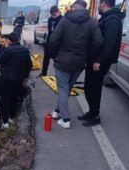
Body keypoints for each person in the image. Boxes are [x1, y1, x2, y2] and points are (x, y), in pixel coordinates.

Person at [48, 0, 103, 129]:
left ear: (73, 7)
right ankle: (57, 111)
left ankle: (65, 119)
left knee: (62, 89)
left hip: (62, 61)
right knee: (66, 88)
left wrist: (54, 55)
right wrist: (88, 55)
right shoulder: (92, 22)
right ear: (85, 8)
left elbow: (54, 39)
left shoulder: (65, 20)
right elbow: (98, 41)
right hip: (79, 63)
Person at [79, 0, 124, 126]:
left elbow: (109, 43)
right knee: (89, 86)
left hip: (100, 61)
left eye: (100, 3)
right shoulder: (107, 18)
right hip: (95, 58)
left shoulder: (112, 20)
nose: (98, 6)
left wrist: (99, 60)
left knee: (94, 87)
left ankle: (95, 115)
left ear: (104, 4)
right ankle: (91, 112)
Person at [0, 33, 32, 129]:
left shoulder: (8, 50)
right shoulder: (25, 50)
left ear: (9, 41)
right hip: (19, 79)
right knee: (14, 98)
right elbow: (29, 65)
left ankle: (6, 122)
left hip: (7, 79)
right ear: (18, 39)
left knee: (6, 100)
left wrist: (2, 49)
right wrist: (25, 77)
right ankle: (12, 117)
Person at [37, 5, 63, 78]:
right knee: (46, 58)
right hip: (50, 42)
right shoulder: (50, 19)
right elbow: (49, 31)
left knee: (57, 60)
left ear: (58, 12)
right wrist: (47, 42)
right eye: (52, 15)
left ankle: (59, 76)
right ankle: (44, 72)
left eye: (54, 14)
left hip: (58, 44)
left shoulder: (63, 19)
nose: (53, 16)